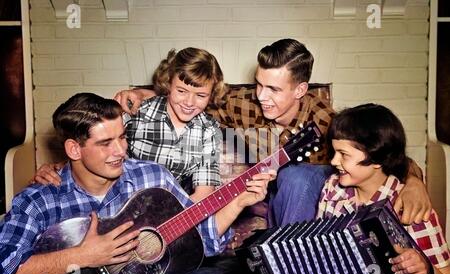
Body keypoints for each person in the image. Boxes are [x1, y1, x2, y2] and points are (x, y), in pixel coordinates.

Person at [113, 38, 432, 227]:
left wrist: (415, 181)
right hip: (263, 193)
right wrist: (147, 95)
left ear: (301, 89)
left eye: (274, 89)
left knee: (297, 176)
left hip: (314, 197)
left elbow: (378, 149)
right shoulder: (246, 104)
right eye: (259, 84)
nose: (262, 96)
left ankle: (290, 256)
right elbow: (192, 101)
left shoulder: (324, 119)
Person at [0, 93, 275, 274]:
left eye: (122, 137)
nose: (120, 151)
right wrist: (83, 256)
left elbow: (203, 238)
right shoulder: (40, 200)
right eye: (106, 143)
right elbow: (11, 272)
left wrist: (239, 201)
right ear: (74, 150)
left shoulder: (153, 176)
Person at [32, 47, 227, 203]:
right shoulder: (138, 112)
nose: (189, 102)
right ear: (168, 83)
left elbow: (203, 194)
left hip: (173, 209)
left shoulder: (208, 130)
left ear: (211, 94)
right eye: (181, 91)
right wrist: (60, 168)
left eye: (201, 95)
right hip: (120, 201)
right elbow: (97, 144)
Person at [317, 103, 450, 274]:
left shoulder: (412, 209)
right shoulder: (333, 189)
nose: (333, 161)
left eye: (344, 155)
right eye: (335, 152)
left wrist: (427, 270)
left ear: (377, 159)